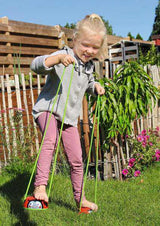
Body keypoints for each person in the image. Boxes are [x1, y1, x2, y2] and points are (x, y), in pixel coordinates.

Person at [30, 13, 106, 212]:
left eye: (95, 47)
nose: (89, 51)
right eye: (85, 45)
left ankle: (80, 199)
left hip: (69, 118)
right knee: (50, 140)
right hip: (48, 109)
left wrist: (96, 86)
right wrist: (56, 59)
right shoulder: (63, 56)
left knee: (77, 158)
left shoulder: (88, 67)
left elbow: (88, 84)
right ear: (75, 40)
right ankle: (40, 187)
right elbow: (36, 65)